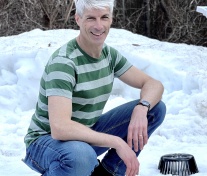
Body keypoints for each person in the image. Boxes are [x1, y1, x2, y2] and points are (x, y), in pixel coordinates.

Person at [23, 0, 166, 175]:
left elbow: (153, 84)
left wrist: (142, 108)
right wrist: (117, 142)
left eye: (104, 17)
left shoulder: (109, 55)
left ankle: (108, 172)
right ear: (78, 19)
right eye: (91, 18)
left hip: (84, 136)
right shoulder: (64, 62)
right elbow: (60, 128)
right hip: (45, 142)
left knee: (155, 108)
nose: (99, 26)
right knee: (80, 157)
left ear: (111, 19)